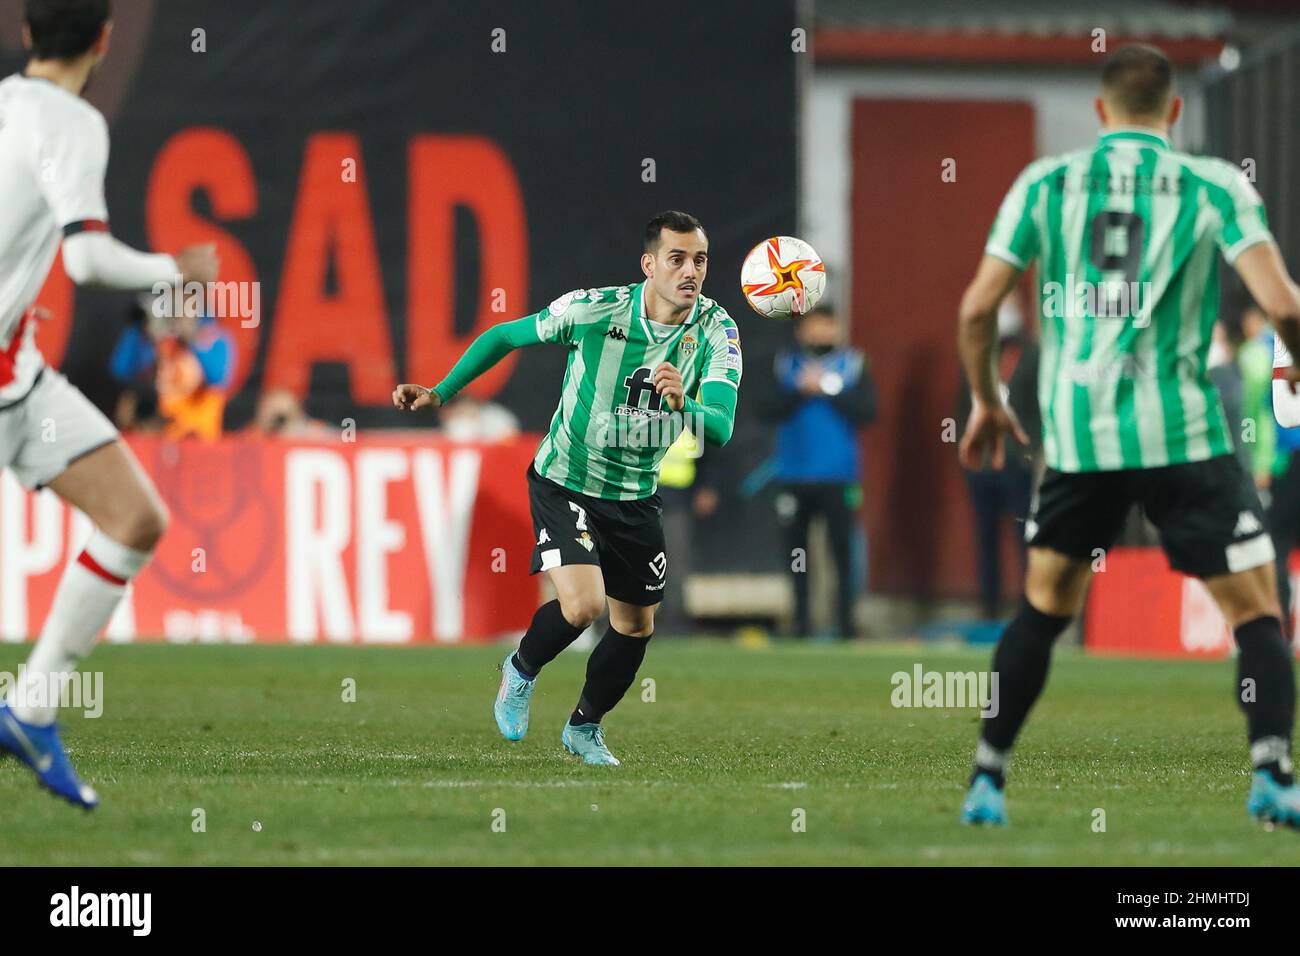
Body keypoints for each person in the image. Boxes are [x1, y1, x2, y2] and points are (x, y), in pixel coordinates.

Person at [956, 43, 1300, 828]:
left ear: (1102, 112)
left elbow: (977, 309)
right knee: (1257, 613)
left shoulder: (1044, 182)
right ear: (1174, 112)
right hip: (1182, 436)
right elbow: (1284, 305)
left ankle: (987, 780)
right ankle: (1272, 775)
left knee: (1042, 610)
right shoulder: (1213, 181)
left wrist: (984, 400)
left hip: (1079, 440)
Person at [393, 210, 740, 765]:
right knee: (582, 606)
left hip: (635, 493)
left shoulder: (717, 330)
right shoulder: (594, 309)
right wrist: (442, 390)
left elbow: (719, 426)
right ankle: (521, 669)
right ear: (649, 265)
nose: (690, 271)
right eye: (676, 259)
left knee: (635, 625)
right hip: (566, 480)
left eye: (699, 260)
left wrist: (686, 404)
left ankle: (584, 726)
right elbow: (506, 334)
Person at [0, 0, 218, 808]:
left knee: (135, 518)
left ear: (26, 35)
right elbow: (86, 257)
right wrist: (176, 266)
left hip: (17, 377)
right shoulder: (75, 123)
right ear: (103, 39)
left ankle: (29, 709)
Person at [760, 302, 875, 639]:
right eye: (815, 325)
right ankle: (801, 621)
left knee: (842, 550)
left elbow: (868, 410)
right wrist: (799, 389)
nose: (822, 332)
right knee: (797, 553)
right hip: (794, 475)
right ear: (801, 330)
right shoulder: (785, 365)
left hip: (839, 476)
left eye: (828, 325)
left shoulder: (853, 365)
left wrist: (828, 387)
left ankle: (845, 623)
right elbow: (765, 407)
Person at [956, 297, 1040, 620]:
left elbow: (1038, 409)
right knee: (985, 536)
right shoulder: (978, 352)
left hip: (1017, 463)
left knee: (1023, 538)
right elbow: (962, 407)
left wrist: (1030, 451)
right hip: (983, 465)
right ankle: (988, 608)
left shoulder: (1031, 355)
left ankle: (1029, 607)